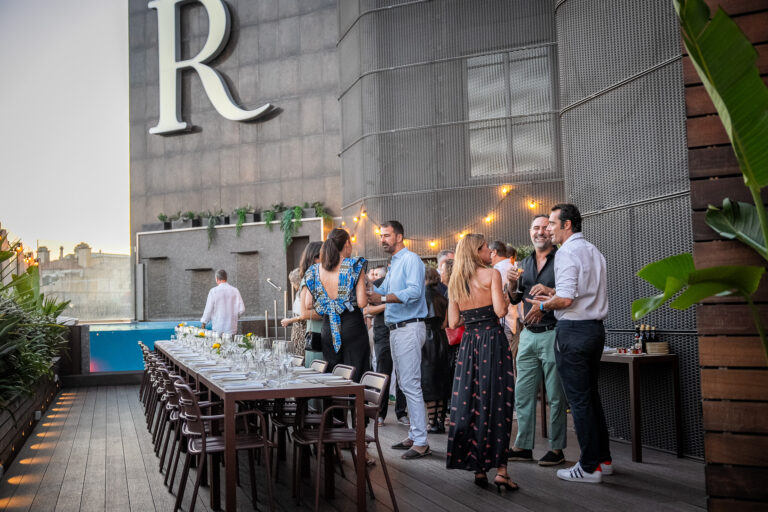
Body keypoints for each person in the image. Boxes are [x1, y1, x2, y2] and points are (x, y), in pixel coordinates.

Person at [526, 204, 610, 483]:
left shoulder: (565, 254)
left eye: (551, 223)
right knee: (591, 397)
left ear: (567, 225)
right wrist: (552, 293)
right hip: (594, 331)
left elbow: (567, 300)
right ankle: (603, 459)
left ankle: (588, 467)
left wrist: (542, 305)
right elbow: (579, 292)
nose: (548, 228)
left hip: (573, 331)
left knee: (579, 400)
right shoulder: (593, 251)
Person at [445, 234, 517, 492]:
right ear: (477, 251)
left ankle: (478, 469)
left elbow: (453, 322)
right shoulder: (492, 275)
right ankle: (501, 470)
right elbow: (500, 311)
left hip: (469, 345)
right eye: (486, 247)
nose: (489, 251)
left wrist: (472, 315)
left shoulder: (456, 282)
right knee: (498, 402)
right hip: (492, 342)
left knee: (471, 402)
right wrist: (507, 297)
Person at [506, 215, 567, 467]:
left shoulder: (563, 258)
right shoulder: (524, 263)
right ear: (530, 232)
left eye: (545, 227)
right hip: (528, 334)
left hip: (553, 331)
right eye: (536, 228)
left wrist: (549, 295)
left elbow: (571, 292)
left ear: (552, 231)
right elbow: (513, 299)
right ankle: (523, 445)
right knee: (523, 393)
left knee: (555, 395)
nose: (541, 232)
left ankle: (557, 448)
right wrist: (510, 283)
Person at [367, 221, 430, 460]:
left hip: (409, 327)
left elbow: (414, 292)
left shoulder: (411, 259)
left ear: (400, 236)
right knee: (404, 384)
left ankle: (422, 441)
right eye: (381, 236)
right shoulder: (394, 264)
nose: (382, 239)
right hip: (396, 329)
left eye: (387, 235)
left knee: (411, 384)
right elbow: (387, 295)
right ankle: (415, 434)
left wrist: (382, 295)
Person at [304, 229, 370, 379]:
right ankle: (356, 402)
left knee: (333, 373)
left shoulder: (314, 270)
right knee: (357, 371)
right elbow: (361, 302)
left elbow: (308, 304)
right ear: (347, 243)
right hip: (352, 325)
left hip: (328, 328)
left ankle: (335, 402)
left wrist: (328, 304)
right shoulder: (354, 265)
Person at [364, 267, 408, 427]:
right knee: (383, 371)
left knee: (403, 372)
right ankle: (379, 413)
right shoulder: (380, 284)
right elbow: (367, 309)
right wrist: (388, 303)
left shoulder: (406, 286)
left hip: (401, 329)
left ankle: (401, 412)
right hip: (383, 332)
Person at [282, 242, 324, 367]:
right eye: (326, 254)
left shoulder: (317, 277)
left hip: (318, 331)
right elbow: (305, 312)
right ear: (316, 258)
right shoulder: (310, 278)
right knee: (317, 369)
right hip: (316, 332)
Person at [421, 268, 451, 434]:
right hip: (441, 338)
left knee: (428, 381)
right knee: (440, 380)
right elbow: (446, 323)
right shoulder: (442, 295)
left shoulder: (420, 295)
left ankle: (431, 421)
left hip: (425, 339)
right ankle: (439, 420)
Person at [200, 269, 244, 335]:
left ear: (217, 279)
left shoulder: (213, 291)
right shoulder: (235, 290)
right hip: (231, 328)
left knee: (218, 344)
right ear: (226, 278)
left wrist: (204, 323)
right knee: (232, 345)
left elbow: (208, 309)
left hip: (218, 328)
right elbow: (242, 309)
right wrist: (234, 317)